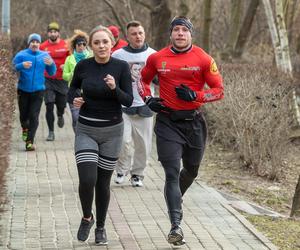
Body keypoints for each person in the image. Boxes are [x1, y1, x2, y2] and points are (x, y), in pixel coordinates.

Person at [139, 16, 224, 245]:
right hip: (167, 121)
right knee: (170, 172)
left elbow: (219, 90)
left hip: (194, 122)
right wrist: (148, 99)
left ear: (190, 34)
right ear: (170, 34)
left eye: (184, 30)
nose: (179, 33)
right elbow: (142, 80)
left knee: (191, 171)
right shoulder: (157, 58)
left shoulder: (203, 58)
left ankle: (174, 197)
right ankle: (175, 224)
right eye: (175, 29)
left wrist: (196, 96)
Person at [68, 25, 133, 245]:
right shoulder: (83, 66)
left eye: (105, 42)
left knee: (102, 184)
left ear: (112, 43)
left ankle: (101, 227)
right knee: (87, 179)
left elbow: (128, 100)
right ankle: (87, 217)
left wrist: (115, 88)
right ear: (91, 46)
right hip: (86, 129)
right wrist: (76, 97)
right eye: (96, 42)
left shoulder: (121, 67)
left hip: (112, 133)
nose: (101, 46)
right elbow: (72, 89)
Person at [112, 20, 156, 187]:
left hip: (145, 106)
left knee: (143, 146)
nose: (138, 36)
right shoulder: (118, 55)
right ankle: (121, 169)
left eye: (140, 33)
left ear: (144, 34)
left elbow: (161, 79)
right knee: (123, 142)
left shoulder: (153, 55)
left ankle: (137, 174)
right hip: (123, 106)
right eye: (134, 34)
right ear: (127, 36)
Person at [13, 33, 56, 151]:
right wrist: (21, 65)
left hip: (38, 91)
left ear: (40, 43)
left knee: (34, 116)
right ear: (29, 43)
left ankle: (29, 142)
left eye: (37, 42)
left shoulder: (45, 55)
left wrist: (51, 64)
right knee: (24, 116)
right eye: (33, 41)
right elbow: (10, 68)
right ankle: (25, 129)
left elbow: (52, 72)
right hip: (23, 90)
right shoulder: (21, 55)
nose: (35, 44)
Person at [40, 21, 69, 141]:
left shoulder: (66, 45)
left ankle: (60, 114)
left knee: (61, 105)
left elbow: (71, 58)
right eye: (50, 31)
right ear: (47, 33)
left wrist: (66, 66)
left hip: (62, 79)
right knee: (49, 106)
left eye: (55, 31)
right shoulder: (42, 46)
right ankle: (51, 132)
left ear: (58, 33)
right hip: (48, 80)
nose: (53, 33)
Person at [63, 29, 91, 132]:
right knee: (75, 117)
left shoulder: (91, 57)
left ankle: (86, 135)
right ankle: (78, 136)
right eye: (79, 44)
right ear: (75, 46)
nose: (82, 47)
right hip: (74, 90)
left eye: (84, 44)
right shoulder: (69, 59)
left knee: (87, 116)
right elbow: (64, 76)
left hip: (88, 91)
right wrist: (71, 74)